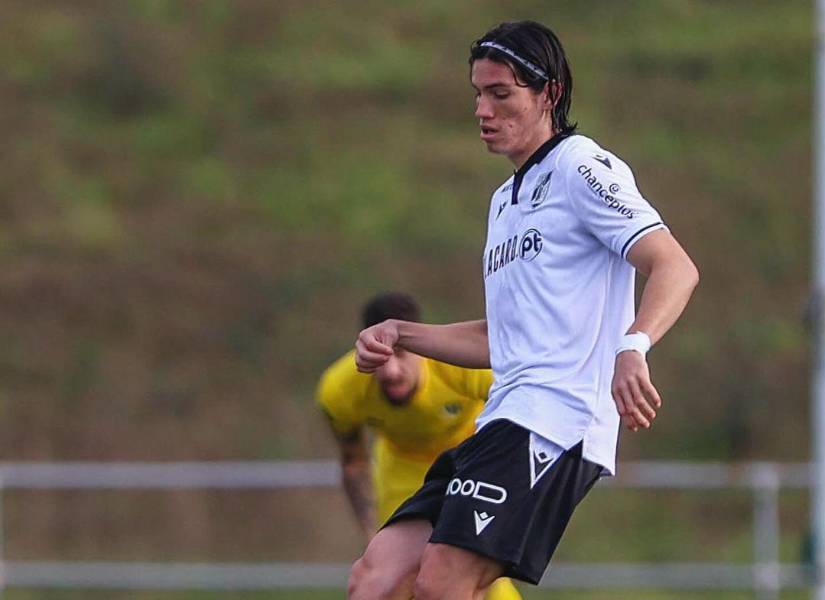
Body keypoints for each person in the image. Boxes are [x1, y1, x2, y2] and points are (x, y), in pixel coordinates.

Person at [348, 20, 700, 600]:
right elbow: (502, 339)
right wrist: (399, 332)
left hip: (555, 421)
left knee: (442, 582)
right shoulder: (504, 203)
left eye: (501, 94)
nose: (483, 110)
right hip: (502, 417)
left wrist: (633, 346)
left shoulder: (580, 167)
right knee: (375, 578)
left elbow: (675, 266)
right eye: (477, 94)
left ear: (549, 93)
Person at [317, 292, 522, 600]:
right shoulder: (340, 390)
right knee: (386, 580)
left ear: (421, 349)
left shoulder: (463, 366)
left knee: (472, 572)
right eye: (379, 359)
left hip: (469, 462)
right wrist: (370, 533)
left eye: (400, 354)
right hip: (402, 470)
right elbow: (353, 463)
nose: (390, 371)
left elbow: (517, 426)